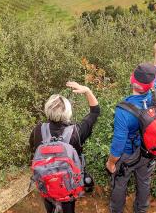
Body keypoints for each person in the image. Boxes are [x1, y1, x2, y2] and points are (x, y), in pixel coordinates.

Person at [106, 38, 156, 213]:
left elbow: (118, 143)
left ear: (132, 79)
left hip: (128, 155)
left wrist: (111, 163)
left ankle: (116, 210)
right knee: (144, 182)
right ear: (152, 84)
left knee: (120, 183)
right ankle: (141, 210)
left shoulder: (124, 110)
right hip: (148, 151)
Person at [29, 81, 101, 213]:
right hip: (69, 184)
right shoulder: (76, 131)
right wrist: (87, 91)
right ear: (67, 112)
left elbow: (32, 153)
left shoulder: (38, 130)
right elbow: (95, 112)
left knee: (49, 205)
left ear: (47, 109)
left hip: (46, 182)